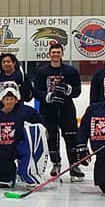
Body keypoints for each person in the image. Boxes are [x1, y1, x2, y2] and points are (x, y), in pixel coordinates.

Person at [32, 42, 85, 179]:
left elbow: (78, 90)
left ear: (62, 53)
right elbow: (36, 91)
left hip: (67, 110)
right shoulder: (42, 71)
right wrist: (47, 96)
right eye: (53, 52)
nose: (55, 54)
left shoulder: (70, 71)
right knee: (51, 139)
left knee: (71, 137)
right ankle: (56, 163)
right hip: (48, 111)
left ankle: (74, 166)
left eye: (58, 52)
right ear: (49, 54)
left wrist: (68, 90)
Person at [0, 81, 44, 189]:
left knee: (26, 168)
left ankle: (28, 172)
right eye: (7, 99)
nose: (9, 102)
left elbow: (41, 126)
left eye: (12, 99)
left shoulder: (26, 112)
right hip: (0, 149)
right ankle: (6, 172)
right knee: (6, 182)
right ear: (2, 99)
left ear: (17, 99)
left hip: (19, 148)